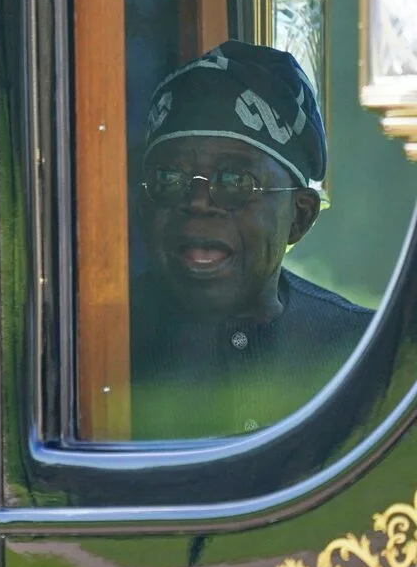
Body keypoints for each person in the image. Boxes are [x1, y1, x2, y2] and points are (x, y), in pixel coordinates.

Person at [130, 40, 374, 440]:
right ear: (143, 208)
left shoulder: (365, 354)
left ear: (300, 216)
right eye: (169, 179)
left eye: (236, 181)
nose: (198, 203)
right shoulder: (91, 349)